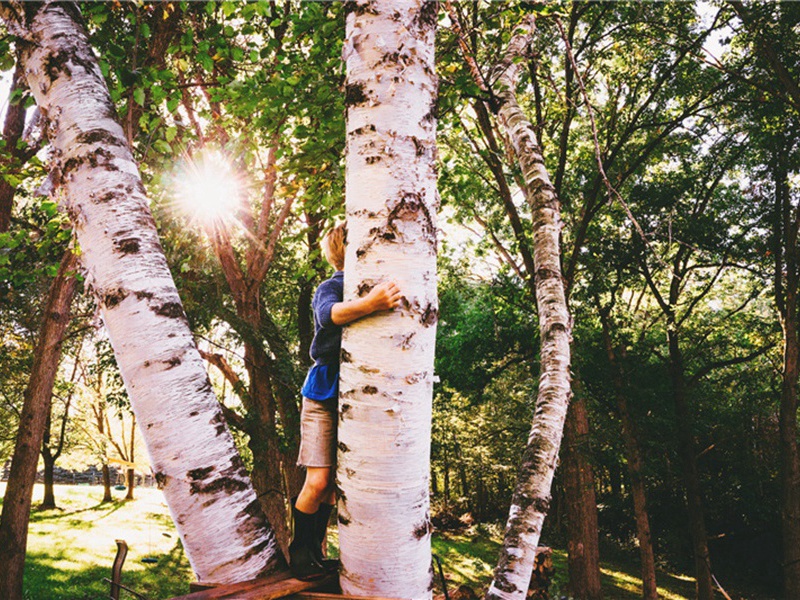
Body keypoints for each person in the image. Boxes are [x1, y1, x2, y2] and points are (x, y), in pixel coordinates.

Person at [289, 222, 402, 580]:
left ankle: (315, 554)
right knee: (318, 482)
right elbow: (328, 315)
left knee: (337, 490)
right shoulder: (333, 285)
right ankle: (299, 554)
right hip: (323, 394)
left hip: (357, 398)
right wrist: (370, 304)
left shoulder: (366, 284)